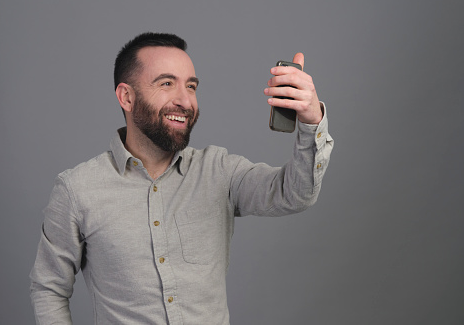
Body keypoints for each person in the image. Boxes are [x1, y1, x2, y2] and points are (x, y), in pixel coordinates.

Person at [30, 32, 334, 324]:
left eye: (191, 86)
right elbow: (49, 288)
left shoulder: (220, 171)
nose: (185, 101)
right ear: (126, 97)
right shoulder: (77, 189)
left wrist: (311, 121)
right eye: (166, 83)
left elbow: (295, 194)